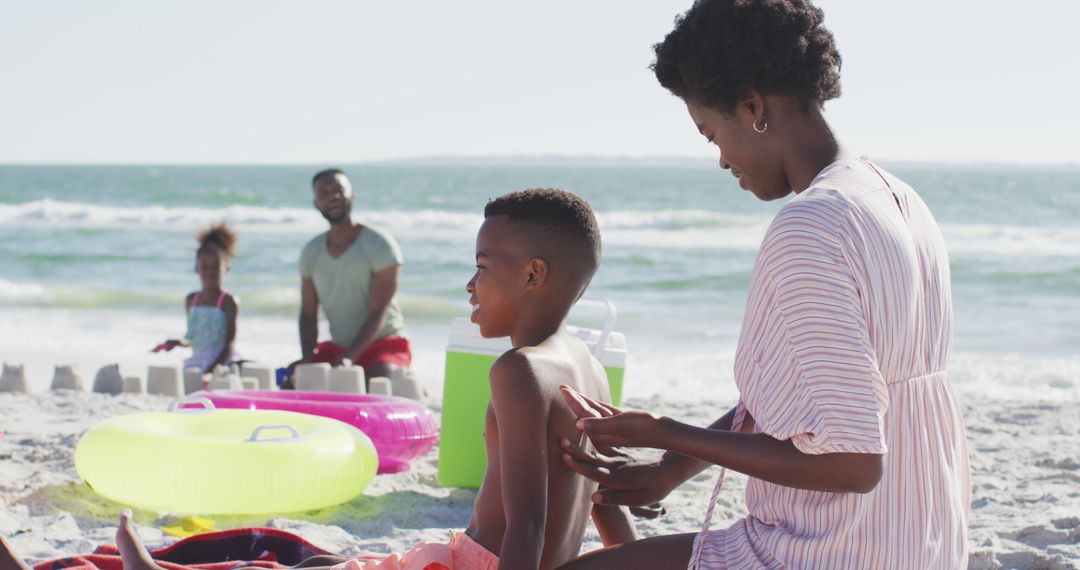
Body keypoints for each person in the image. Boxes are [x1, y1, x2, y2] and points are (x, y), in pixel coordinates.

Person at [558, 1, 971, 568]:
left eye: (711, 135)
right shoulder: (898, 198)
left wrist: (667, 433)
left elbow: (853, 461)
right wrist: (675, 470)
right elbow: (837, 391)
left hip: (831, 549)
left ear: (752, 106)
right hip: (920, 538)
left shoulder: (811, 226)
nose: (723, 160)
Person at [295, 169, 411, 386]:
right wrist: (307, 358)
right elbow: (308, 315)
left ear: (352, 194)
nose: (333, 197)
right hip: (339, 346)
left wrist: (349, 358)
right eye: (324, 193)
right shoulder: (311, 252)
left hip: (385, 343)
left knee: (376, 381)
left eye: (339, 190)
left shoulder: (380, 245)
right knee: (298, 380)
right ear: (316, 204)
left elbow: (379, 310)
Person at [155, 223, 240, 373]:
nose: (210, 271)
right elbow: (192, 338)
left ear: (226, 268)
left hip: (222, 364)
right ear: (196, 268)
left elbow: (229, 344)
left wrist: (212, 370)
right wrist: (177, 342)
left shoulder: (228, 301)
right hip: (197, 362)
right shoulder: (191, 300)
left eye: (215, 266)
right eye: (205, 266)